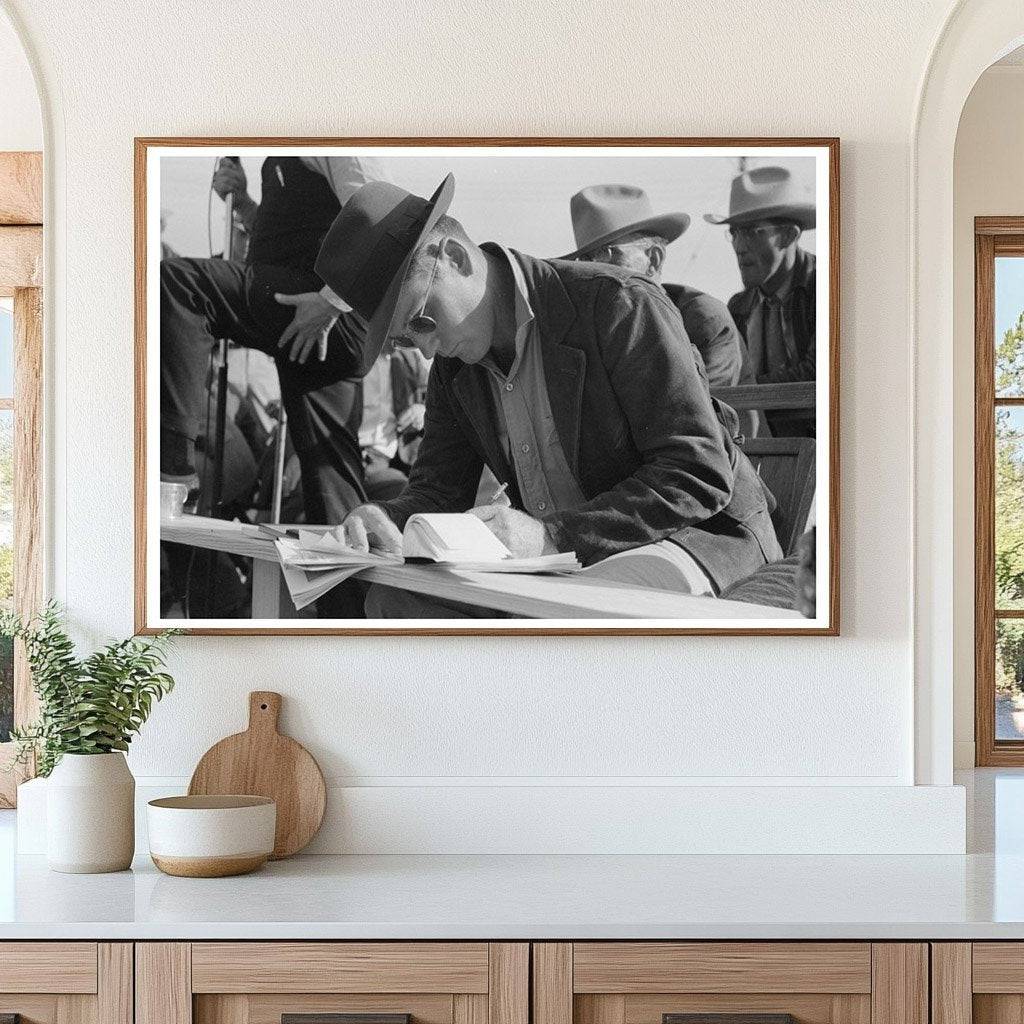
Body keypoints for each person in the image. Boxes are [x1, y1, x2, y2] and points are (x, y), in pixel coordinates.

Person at [313, 175, 783, 618]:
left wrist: (549, 535)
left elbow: (696, 473)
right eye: (405, 340)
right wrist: (384, 516)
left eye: (421, 319)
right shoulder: (454, 366)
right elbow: (439, 491)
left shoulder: (619, 304)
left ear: (454, 257)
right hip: (560, 564)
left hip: (699, 536)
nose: (427, 349)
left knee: (576, 617)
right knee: (394, 601)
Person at [160, 154, 389, 525]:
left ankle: (170, 472)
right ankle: (348, 573)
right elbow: (294, 239)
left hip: (324, 313)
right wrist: (247, 206)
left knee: (181, 285)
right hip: (315, 323)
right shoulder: (295, 148)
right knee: (334, 492)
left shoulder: (339, 136)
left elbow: (382, 224)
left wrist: (331, 303)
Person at [561, 184, 750, 389]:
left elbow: (702, 413)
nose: (595, 273)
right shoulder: (590, 333)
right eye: (586, 260)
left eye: (609, 256)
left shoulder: (704, 320)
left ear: (653, 259)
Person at [705, 165, 816, 436]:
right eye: (734, 233)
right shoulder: (739, 307)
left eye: (753, 231)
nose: (739, 246)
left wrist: (744, 390)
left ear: (789, 235)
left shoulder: (826, 290)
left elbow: (818, 374)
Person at [359, 342, 430, 501]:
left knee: (405, 492)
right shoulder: (353, 351)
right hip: (343, 457)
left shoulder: (408, 358)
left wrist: (421, 410)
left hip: (384, 462)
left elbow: (433, 397)